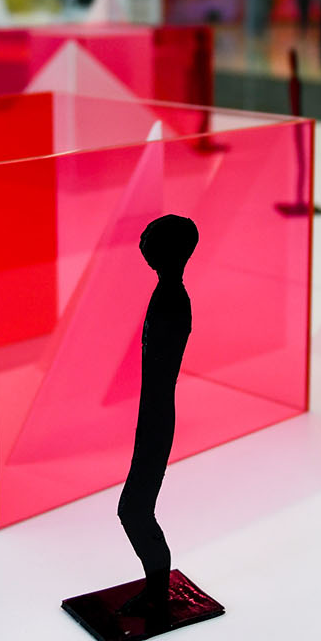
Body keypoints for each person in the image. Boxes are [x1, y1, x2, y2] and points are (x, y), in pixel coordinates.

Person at [117, 214, 199, 620]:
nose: (143, 240)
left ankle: (157, 588)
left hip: (156, 415)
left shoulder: (171, 298)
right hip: (152, 412)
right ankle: (155, 586)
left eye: (150, 236)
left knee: (133, 509)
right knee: (135, 507)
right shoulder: (168, 292)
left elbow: (161, 368)